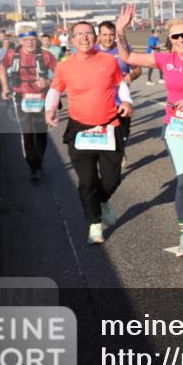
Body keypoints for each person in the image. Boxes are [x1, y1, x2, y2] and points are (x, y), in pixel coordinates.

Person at [114, 7, 183, 258]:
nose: (180, 40)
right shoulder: (166, 60)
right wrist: (121, 31)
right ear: (170, 41)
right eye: (175, 37)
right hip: (175, 128)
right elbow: (129, 57)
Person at [45, 22, 133, 244]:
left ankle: (102, 200)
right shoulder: (65, 66)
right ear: (72, 39)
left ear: (94, 38)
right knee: (87, 181)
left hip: (109, 127)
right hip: (80, 130)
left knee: (112, 179)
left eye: (88, 34)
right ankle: (94, 223)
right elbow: (55, 89)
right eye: (79, 34)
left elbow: (120, 84)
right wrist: (50, 109)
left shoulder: (109, 61)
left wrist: (128, 102)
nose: (84, 38)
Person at [0, 29, 59, 182]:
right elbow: (1, 67)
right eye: (26, 40)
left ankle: (39, 159)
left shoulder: (46, 55)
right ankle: (34, 167)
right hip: (21, 98)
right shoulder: (12, 55)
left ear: (37, 40)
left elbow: (60, 75)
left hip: (42, 97)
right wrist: (5, 87)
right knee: (27, 133)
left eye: (33, 39)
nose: (30, 43)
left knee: (41, 133)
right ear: (20, 41)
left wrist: (48, 82)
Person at [96, 21, 142, 165]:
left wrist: (131, 76)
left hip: (122, 101)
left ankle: (120, 150)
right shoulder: (93, 51)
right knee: (106, 133)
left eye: (111, 35)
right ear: (99, 35)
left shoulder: (124, 49)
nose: (108, 38)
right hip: (101, 102)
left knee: (123, 132)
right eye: (105, 35)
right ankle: (112, 158)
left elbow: (137, 69)